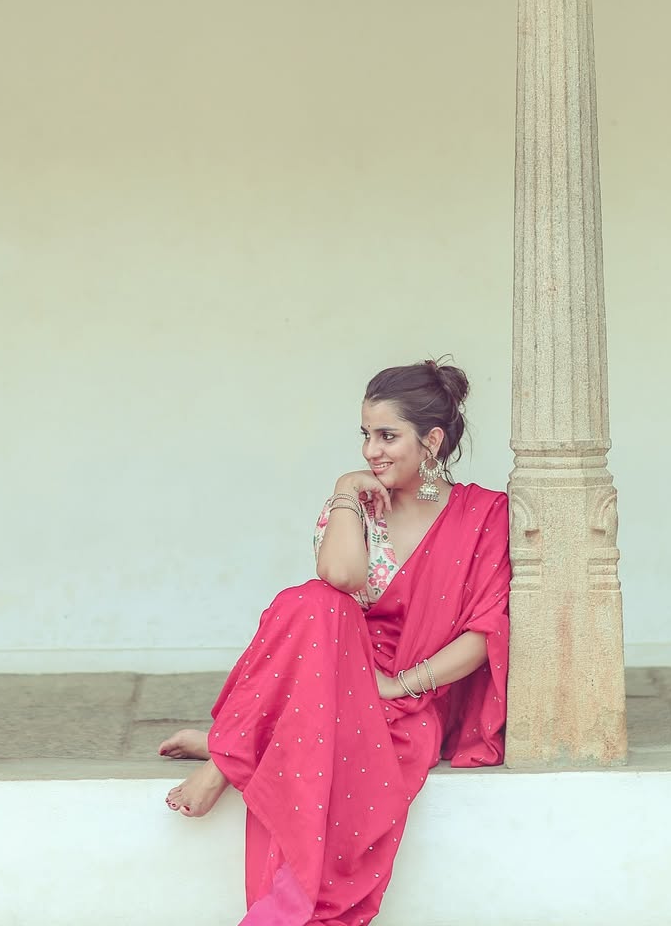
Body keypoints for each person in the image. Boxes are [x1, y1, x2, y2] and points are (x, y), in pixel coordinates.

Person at [159, 359, 510, 926]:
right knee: (310, 602)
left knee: (316, 621)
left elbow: (484, 632)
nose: (372, 450)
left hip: (408, 693)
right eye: (366, 435)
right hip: (333, 673)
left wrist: (398, 683)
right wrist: (346, 491)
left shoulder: (484, 515)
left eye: (388, 436)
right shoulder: (357, 501)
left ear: (433, 440)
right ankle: (231, 754)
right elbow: (341, 578)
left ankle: (232, 748)